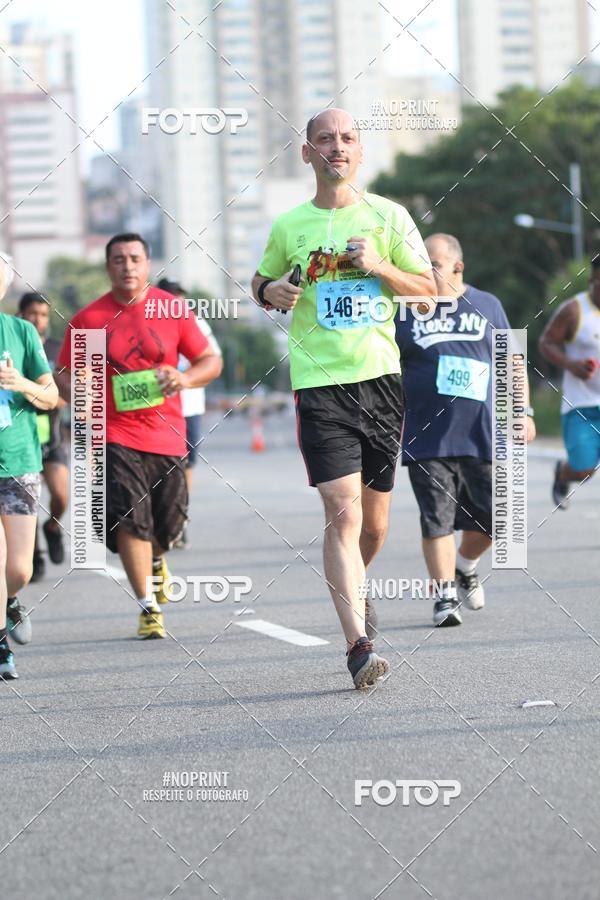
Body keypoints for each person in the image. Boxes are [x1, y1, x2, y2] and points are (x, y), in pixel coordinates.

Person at [252, 108, 435, 688]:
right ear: (306, 153)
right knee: (343, 511)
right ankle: (358, 644)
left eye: (347, 139)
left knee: (374, 527)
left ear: (360, 153)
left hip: (380, 381)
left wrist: (379, 266)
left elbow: (430, 293)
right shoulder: (289, 226)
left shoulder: (390, 216)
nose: (337, 147)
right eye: (325, 139)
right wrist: (270, 290)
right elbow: (261, 283)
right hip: (318, 383)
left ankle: (356, 583)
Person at [55, 234, 222, 639]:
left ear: (148, 264)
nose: (127, 266)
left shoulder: (174, 309)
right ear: (107, 267)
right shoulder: (90, 319)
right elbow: (62, 372)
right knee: (130, 518)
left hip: (166, 434)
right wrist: (82, 398)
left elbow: (211, 360)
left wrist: (183, 377)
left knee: (167, 526)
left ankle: (159, 558)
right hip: (114, 432)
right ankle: (147, 605)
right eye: (118, 260)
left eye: (134, 258)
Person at [396, 234, 536, 627]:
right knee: (436, 519)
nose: (425, 271)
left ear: (458, 267)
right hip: (427, 436)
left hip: (483, 434)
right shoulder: (405, 310)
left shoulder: (488, 304)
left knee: (500, 520)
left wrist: (522, 412)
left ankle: (465, 566)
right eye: (421, 263)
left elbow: (513, 360)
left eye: (434, 264)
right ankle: (443, 599)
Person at [0, 253, 59, 679]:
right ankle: (2, 647)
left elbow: (52, 397)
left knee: (18, 569)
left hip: (19, 460)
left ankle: (10, 600)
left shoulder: (20, 332)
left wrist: (20, 382)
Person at [156, 279, 222, 549]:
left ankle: (179, 517)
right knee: (160, 465)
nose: (178, 305)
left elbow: (212, 359)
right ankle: (161, 515)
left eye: (181, 300)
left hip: (190, 406)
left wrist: (186, 378)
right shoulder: (149, 323)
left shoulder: (195, 322)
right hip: (157, 407)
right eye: (172, 299)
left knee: (187, 464)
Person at [538, 257, 600, 509]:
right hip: (581, 406)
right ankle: (563, 473)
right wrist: (572, 365)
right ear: (592, 281)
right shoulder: (574, 310)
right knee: (584, 470)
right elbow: (546, 343)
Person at [18, 292, 69, 579]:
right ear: (21, 314)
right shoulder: (13, 345)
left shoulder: (55, 348)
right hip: (21, 436)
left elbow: (66, 385)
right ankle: (34, 556)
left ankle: (52, 527)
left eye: (43, 314)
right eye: (32, 313)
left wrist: (60, 397)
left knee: (60, 495)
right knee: (27, 499)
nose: (38, 319)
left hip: (51, 436)